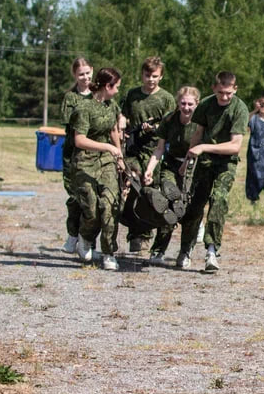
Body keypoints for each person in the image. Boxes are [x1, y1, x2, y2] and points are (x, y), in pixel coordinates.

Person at [178, 71, 248, 273]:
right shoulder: (206, 105)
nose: (224, 97)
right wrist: (187, 160)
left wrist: (204, 148)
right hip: (204, 163)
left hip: (226, 164)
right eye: (220, 93)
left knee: (218, 200)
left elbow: (235, 146)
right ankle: (185, 249)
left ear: (235, 89)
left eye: (228, 93)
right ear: (214, 89)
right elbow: (197, 135)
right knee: (194, 206)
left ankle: (211, 250)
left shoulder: (239, 109)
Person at [68, 67, 124, 270]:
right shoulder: (84, 108)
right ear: (107, 86)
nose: (118, 90)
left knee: (110, 204)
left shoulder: (111, 105)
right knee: (91, 209)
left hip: (107, 162)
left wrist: (118, 155)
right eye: (116, 86)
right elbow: (79, 140)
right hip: (85, 162)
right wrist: (107, 147)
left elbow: (113, 130)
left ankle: (108, 252)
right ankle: (84, 237)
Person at [120, 56, 176, 254]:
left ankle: (149, 236)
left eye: (154, 76)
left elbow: (172, 124)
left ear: (160, 77)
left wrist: (155, 128)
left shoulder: (166, 99)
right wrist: (123, 125)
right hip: (134, 150)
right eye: (147, 75)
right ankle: (136, 235)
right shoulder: (132, 95)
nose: (150, 79)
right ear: (141, 75)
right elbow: (124, 115)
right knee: (134, 191)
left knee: (152, 194)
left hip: (156, 151)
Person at [142, 86, 200, 262]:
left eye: (190, 104)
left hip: (193, 166)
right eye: (183, 103)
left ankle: (185, 251)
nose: (186, 107)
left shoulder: (201, 122)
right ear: (178, 102)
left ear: (197, 104)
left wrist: (188, 164)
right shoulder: (169, 119)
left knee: (190, 208)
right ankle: (159, 249)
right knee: (167, 204)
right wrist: (150, 169)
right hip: (171, 164)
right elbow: (159, 149)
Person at [59, 58, 94, 256]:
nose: (85, 77)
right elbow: (69, 124)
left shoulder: (98, 95)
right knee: (75, 198)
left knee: (92, 200)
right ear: (75, 75)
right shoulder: (70, 98)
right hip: (73, 154)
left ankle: (87, 240)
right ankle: (73, 235)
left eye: (88, 73)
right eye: (81, 74)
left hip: (94, 153)